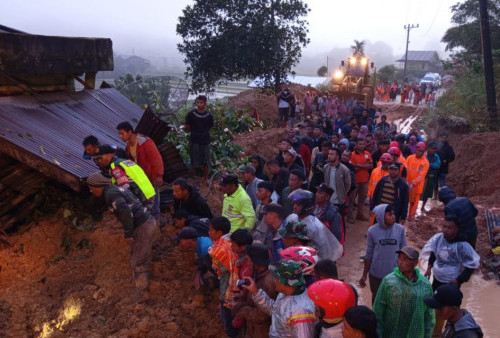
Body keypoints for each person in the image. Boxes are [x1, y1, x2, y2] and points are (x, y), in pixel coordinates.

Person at [86, 172, 156, 296]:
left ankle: (142, 289)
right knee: (137, 253)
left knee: (138, 260)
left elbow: (125, 211)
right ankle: (141, 284)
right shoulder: (113, 190)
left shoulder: (110, 194)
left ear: (97, 187)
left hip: (143, 225)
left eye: (91, 189)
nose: (91, 192)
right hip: (145, 222)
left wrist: (128, 233)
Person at [242, 260, 316, 337]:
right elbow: (275, 311)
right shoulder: (284, 294)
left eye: (277, 278)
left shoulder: (301, 311)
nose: (274, 280)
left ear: (284, 282)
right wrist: (256, 292)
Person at [373, 246, 435, 338]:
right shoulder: (388, 281)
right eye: (399, 258)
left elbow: (429, 315)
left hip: (416, 334)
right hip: (391, 333)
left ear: (415, 263)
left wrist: (427, 335)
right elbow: (378, 310)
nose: (400, 262)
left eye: (405, 259)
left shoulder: (425, 285)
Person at [116, 121, 164, 223]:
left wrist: (159, 175)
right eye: (119, 134)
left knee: (154, 200)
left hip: (151, 174)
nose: (121, 136)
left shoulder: (145, 142)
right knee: (147, 199)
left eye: (122, 133)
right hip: (142, 177)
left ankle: (157, 222)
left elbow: (156, 159)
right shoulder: (129, 146)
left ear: (130, 132)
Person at [359, 204, 407, 304]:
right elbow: (369, 254)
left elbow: (404, 252)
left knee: (393, 302)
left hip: (395, 274)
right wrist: (364, 275)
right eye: (389, 215)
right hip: (376, 274)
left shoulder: (400, 229)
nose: (393, 216)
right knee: (377, 301)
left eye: (393, 214)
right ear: (381, 217)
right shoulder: (372, 231)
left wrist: (406, 273)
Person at [422, 216, 480, 290]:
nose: (445, 230)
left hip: (451, 281)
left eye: (449, 228)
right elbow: (434, 252)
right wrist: (429, 268)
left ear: (457, 229)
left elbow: (471, 265)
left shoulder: (462, 245)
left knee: (447, 300)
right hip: (437, 276)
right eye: (444, 226)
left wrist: (459, 280)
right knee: (434, 297)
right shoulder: (438, 238)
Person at [232, 244, 278, 338]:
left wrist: (239, 307)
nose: (247, 263)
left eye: (248, 260)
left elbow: (261, 315)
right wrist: (242, 297)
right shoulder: (259, 274)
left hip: (261, 332)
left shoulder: (267, 283)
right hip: (254, 329)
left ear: (255, 264)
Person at [287, 189, 343, 262]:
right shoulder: (292, 217)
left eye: (298, 204)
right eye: (294, 203)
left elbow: (324, 249)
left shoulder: (315, 226)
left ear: (306, 206)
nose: (294, 207)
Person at [208, 216, 240, 337]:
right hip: (237, 288)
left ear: (219, 233)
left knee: (229, 322)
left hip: (229, 290)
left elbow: (224, 273)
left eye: (211, 231)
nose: (209, 233)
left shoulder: (220, 250)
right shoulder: (231, 242)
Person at [184, 95, 214, 181]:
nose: (199, 104)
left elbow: (209, 127)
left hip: (205, 140)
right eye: (198, 102)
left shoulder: (209, 115)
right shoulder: (191, 114)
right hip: (194, 140)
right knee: (194, 158)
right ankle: (195, 177)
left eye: (201, 102)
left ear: (205, 104)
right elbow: (187, 126)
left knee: (206, 159)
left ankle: (206, 178)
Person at [322, 147, 351, 217]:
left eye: (332, 154)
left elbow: (348, 185)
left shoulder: (344, 170)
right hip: (327, 200)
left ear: (337, 156)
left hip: (339, 201)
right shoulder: (325, 167)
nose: (329, 156)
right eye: (329, 154)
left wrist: (343, 194)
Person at [349, 138, 373, 222]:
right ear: (356, 145)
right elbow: (353, 169)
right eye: (360, 144)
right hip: (355, 181)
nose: (362, 145)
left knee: (362, 199)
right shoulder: (352, 155)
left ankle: (360, 214)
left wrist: (359, 165)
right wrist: (364, 165)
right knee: (351, 199)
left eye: (363, 144)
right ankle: (350, 216)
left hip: (365, 180)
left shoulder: (367, 154)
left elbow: (370, 166)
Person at [406, 142, 430, 220]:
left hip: (417, 186)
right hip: (408, 183)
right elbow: (405, 169)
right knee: (407, 200)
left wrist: (413, 183)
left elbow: (421, 176)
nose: (419, 153)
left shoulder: (425, 162)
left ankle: (411, 216)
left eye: (421, 151)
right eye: (418, 151)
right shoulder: (410, 158)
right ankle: (406, 214)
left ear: (424, 152)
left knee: (414, 202)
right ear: (416, 150)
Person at [420, 141, 441, 211]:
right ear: (428, 148)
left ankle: (422, 207)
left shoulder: (436, 156)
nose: (434, 150)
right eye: (432, 148)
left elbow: (438, 166)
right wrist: (431, 164)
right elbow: (422, 165)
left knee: (427, 193)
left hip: (431, 176)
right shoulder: (424, 155)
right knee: (419, 192)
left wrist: (429, 164)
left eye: (435, 148)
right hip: (423, 176)